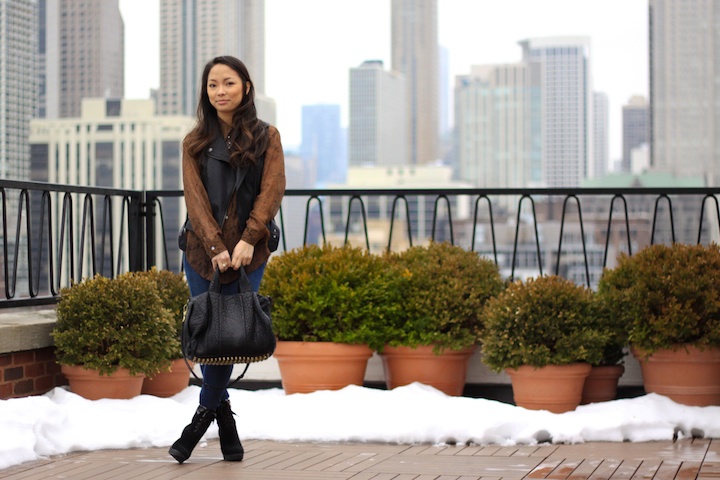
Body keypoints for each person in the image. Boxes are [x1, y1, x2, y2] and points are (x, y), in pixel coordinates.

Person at [169, 55, 285, 464]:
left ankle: (200, 420)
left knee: (232, 334)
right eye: (213, 85)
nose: (220, 91)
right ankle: (226, 421)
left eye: (229, 83)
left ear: (246, 88)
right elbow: (195, 201)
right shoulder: (194, 142)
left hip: (250, 255)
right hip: (204, 253)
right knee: (211, 336)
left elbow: (272, 190)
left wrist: (250, 238)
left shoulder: (267, 136)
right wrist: (218, 247)